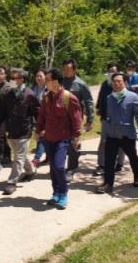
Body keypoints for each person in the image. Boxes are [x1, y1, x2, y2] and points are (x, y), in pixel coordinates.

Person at [35, 68, 83, 209]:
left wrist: (77, 136)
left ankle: (63, 193)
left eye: (48, 80)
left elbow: (76, 119)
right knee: (53, 168)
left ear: (56, 82)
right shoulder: (46, 97)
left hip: (63, 138)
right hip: (48, 138)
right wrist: (38, 131)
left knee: (59, 166)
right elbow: (41, 116)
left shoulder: (69, 98)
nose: (45, 82)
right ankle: (56, 192)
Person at [97, 72, 138, 194]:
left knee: (133, 157)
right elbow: (108, 117)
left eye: (119, 81)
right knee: (109, 160)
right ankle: (108, 183)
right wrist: (105, 133)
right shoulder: (109, 98)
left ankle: (137, 176)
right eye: (114, 81)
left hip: (127, 134)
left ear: (125, 83)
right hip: (112, 134)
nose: (116, 83)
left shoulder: (133, 97)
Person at [0, 68, 40, 195]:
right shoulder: (7, 94)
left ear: (22, 79)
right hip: (11, 129)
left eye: (14, 78)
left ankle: (12, 182)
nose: (11, 81)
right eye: (11, 78)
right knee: (21, 154)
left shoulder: (29, 94)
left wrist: (40, 128)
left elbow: (37, 112)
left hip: (25, 130)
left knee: (18, 156)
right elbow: (1, 110)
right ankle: (31, 171)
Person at [61, 58, 94, 182]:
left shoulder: (81, 84)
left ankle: (71, 169)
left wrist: (90, 119)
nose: (65, 71)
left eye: (68, 69)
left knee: (72, 144)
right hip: (60, 118)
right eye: (64, 69)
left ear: (74, 70)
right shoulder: (59, 82)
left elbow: (89, 102)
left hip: (75, 118)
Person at [93, 63, 125, 176]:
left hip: (120, 118)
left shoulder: (123, 84)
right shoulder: (105, 84)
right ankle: (101, 165)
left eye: (113, 71)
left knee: (121, 141)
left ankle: (119, 164)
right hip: (106, 117)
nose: (111, 73)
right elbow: (101, 96)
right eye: (110, 71)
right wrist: (98, 107)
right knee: (103, 141)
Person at [0, 65, 12, 165]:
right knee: (1, 136)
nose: (0, 76)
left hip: (7, 116)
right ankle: (7, 156)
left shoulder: (10, 86)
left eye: (2, 74)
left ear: (5, 75)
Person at [31, 67, 49, 167]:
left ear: (45, 77)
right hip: (36, 117)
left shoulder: (49, 88)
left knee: (42, 136)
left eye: (40, 76)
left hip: (47, 117)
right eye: (37, 76)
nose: (38, 78)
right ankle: (49, 157)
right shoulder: (32, 88)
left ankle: (36, 158)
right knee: (44, 137)